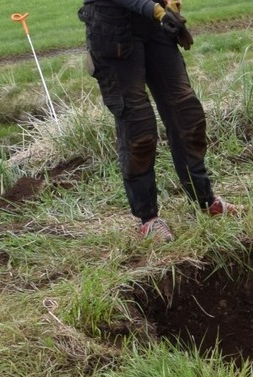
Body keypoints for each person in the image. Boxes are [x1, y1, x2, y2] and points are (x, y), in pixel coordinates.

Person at [78, 0, 240, 241]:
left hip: (154, 25)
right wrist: (155, 10)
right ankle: (148, 220)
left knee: (186, 114)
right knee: (138, 128)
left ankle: (205, 201)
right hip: (113, 30)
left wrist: (167, 5)